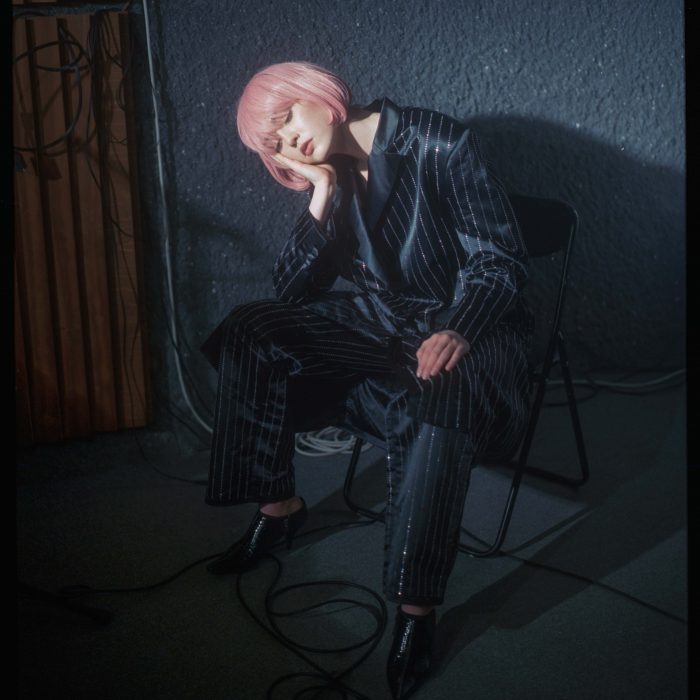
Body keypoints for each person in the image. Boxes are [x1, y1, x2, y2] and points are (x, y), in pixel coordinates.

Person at [200, 61, 533, 699]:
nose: (289, 139)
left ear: (317, 94)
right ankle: (277, 508)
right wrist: (321, 195)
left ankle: (415, 610)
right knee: (252, 326)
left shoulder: (438, 141)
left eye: (287, 117)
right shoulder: (329, 169)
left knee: (436, 384)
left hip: (463, 324)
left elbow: (500, 260)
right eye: (274, 141)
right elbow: (289, 293)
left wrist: (460, 328)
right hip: (385, 322)